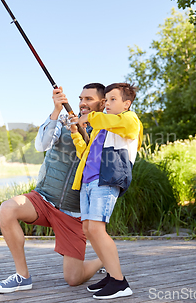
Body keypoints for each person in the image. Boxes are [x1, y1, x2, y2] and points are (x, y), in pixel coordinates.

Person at [0, 83, 106, 294]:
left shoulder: (107, 131)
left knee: (73, 279)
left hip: (73, 212)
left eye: (89, 99)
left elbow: (97, 161)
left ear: (103, 102)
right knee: (8, 208)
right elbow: (41, 145)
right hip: (42, 199)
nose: (82, 103)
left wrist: (83, 128)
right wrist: (56, 110)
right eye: (80, 98)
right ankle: (22, 276)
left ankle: (101, 260)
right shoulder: (62, 121)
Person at [69, 83, 143, 300]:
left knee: (97, 230)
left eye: (112, 100)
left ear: (126, 104)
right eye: (106, 100)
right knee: (89, 229)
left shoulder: (129, 120)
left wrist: (88, 117)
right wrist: (76, 133)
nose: (107, 104)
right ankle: (112, 276)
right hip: (88, 182)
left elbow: (108, 120)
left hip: (107, 180)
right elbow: (85, 153)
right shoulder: (102, 127)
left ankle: (120, 282)